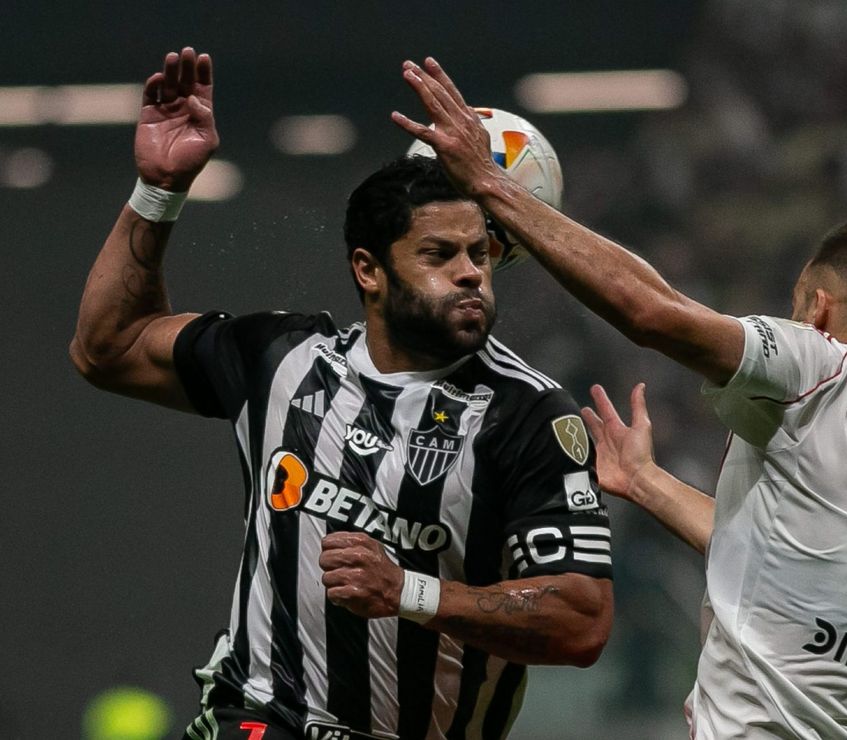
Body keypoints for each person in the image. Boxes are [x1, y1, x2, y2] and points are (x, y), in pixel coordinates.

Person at [393, 58, 847, 740]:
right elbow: (774, 554)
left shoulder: (826, 364)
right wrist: (645, 481)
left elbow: (653, 312)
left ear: (817, 310)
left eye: (791, 308)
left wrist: (490, 184)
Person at [69, 48, 614, 740]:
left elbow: (582, 618)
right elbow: (107, 347)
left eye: (480, 254)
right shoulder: (282, 359)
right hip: (261, 719)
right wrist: (158, 192)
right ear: (369, 270)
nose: (472, 274)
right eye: (440, 255)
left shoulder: (529, 415)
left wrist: (408, 591)